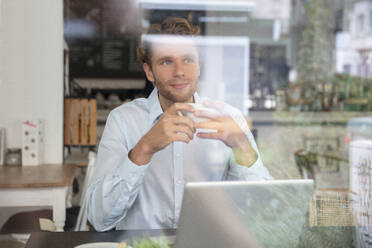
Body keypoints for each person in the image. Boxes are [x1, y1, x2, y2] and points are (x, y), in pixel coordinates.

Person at [86, 17, 272, 231]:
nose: (179, 71)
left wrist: (241, 145)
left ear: (199, 65)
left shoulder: (228, 119)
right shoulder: (123, 121)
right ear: (149, 72)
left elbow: (263, 208)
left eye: (188, 59)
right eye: (166, 61)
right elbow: (99, 219)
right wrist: (144, 149)